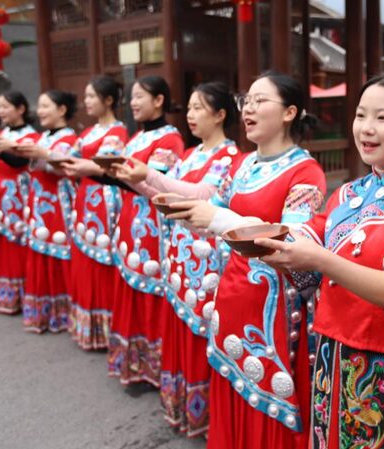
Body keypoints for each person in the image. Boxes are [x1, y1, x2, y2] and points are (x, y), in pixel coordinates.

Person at [255, 72, 384, 449]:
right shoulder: (346, 195)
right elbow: (306, 238)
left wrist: (319, 259)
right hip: (332, 354)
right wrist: (273, 248)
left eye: (382, 118)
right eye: (361, 115)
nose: (367, 128)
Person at [169, 71, 325, 449]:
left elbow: (293, 243)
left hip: (273, 318)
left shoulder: (306, 173)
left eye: (260, 101)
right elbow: (214, 206)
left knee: (268, 401)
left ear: (289, 112)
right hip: (233, 303)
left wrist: (217, 219)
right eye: (246, 101)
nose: (249, 109)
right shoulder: (242, 166)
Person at [113, 81, 242, 436]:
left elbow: (202, 195)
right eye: (188, 108)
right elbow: (166, 195)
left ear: (220, 114)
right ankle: (186, 406)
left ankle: (208, 415)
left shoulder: (231, 159)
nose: (191, 115)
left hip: (208, 267)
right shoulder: (190, 155)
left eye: (199, 108)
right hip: (180, 260)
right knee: (182, 328)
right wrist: (134, 181)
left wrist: (149, 175)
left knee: (202, 334)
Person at [104, 75, 185, 385]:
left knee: (149, 288)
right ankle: (135, 362)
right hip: (130, 221)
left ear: (159, 100)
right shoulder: (137, 138)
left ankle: (154, 366)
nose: (133, 103)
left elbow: (156, 182)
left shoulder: (170, 139)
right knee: (132, 285)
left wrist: (109, 173)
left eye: (140, 96)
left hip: (151, 225)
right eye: (131, 98)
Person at [60, 75, 128, 350]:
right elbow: (73, 158)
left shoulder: (118, 132)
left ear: (108, 100)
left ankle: (107, 327)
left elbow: (104, 168)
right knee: (84, 259)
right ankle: (88, 326)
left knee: (102, 259)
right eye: (85, 97)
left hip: (104, 197)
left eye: (91, 96)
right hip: (85, 197)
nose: (86, 102)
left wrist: (81, 166)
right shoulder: (88, 133)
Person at [14, 90, 79, 333]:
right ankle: (45, 312)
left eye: (45, 106)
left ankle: (64, 313)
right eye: (39, 106)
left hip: (58, 204)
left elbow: (69, 167)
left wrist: (44, 155)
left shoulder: (71, 139)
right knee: (41, 253)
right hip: (40, 201)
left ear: (62, 110)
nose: (40, 111)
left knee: (60, 253)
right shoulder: (42, 137)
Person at [0, 91, 39, 314]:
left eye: (6, 107)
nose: (2, 112)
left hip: (19, 194)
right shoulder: (1, 133)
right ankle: (4, 293)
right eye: (0, 107)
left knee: (17, 241)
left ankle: (23, 294)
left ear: (21, 109)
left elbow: (18, 163)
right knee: (1, 242)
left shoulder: (31, 136)